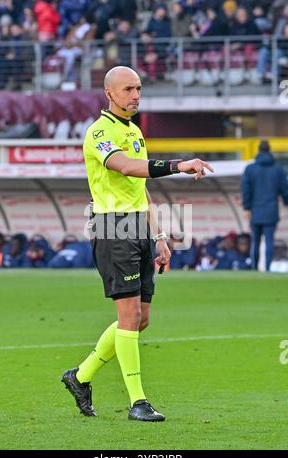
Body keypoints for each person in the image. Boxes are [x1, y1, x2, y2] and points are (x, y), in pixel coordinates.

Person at [61, 65, 213, 422]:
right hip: (113, 229)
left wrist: (159, 236)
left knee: (141, 319)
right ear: (109, 93)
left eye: (139, 89)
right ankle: (138, 402)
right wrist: (179, 164)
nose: (135, 96)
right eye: (128, 89)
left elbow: (139, 188)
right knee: (128, 317)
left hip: (140, 230)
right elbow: (127, 168)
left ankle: (80, 377)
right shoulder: (99, 132)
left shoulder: (134, 132)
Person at [241, 140, 288, 271]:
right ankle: (267, 268)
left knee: (255, 241)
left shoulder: (250, 169)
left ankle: (255, 268)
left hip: (255, 211)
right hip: (271, 211)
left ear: (258, 150)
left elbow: (246, 190)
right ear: (269, 150)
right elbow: (285, 189)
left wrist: (247, 208)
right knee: (269, 242)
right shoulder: (278, 169)